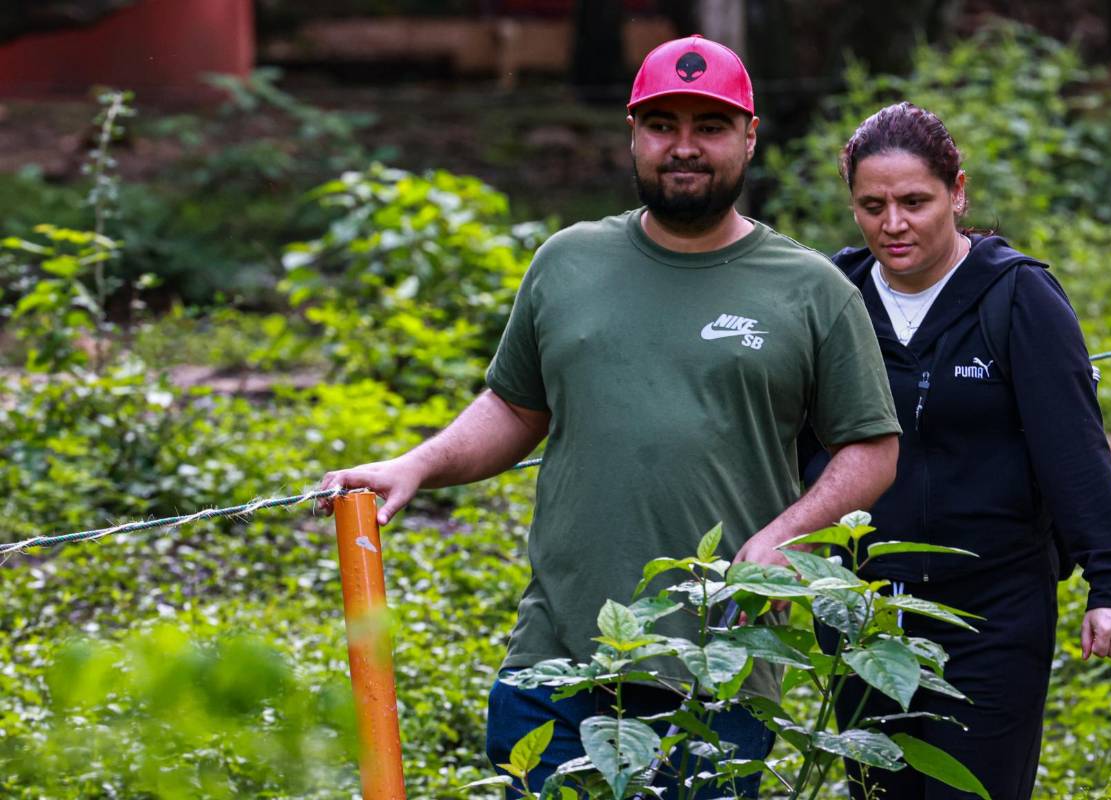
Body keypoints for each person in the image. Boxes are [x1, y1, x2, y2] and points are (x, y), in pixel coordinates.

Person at [317, 36, 903, 798]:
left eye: (710, 126)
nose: (684, 147)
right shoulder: (568, 262)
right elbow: (513, 404)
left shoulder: (812, 290)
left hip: (715, 672)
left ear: (750, 136)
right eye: (663, 125)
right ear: (633, 132)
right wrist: (416, 465)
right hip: (556, 665)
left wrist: (782, 539)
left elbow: (872, 447)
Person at [798, 102, 1111, 800]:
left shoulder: (1017, 296)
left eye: (915, 201)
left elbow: (1073, 448)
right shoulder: (834, 298)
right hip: (864, 614)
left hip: (993, 614)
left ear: (957, 192)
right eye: (872, 205)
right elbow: (796, 439)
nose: (893, 224)